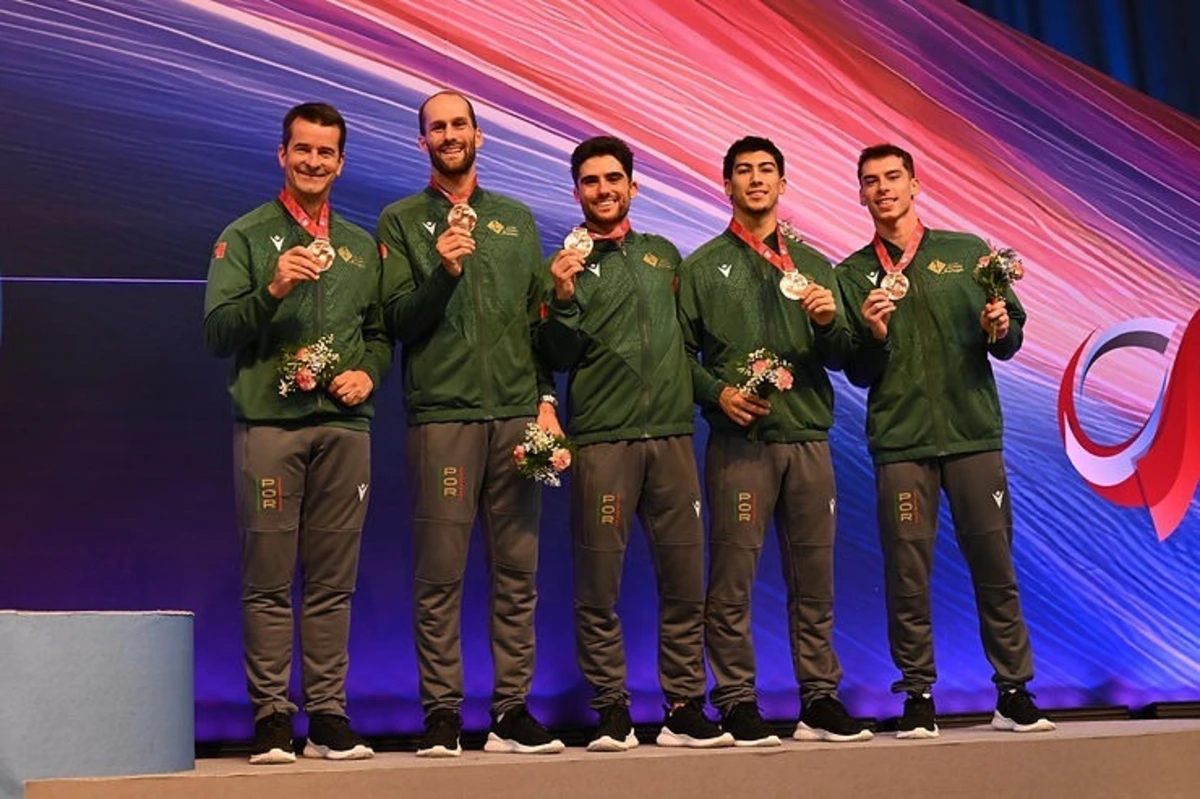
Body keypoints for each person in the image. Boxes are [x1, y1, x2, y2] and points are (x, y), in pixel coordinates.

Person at [836, 143, 1056, 738]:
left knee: (995, 564)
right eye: (870, 181)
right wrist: (875, 333)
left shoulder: (967, 253)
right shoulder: (852, 272)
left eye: (892, 178)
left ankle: (1013, 691)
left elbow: (1007, 337)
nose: (882, 189)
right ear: (859, 194)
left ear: (914, 184)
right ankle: (917, 696)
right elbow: (855, 367)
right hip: (901, 444)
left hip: (972, 437)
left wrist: (1001, 326)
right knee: (907, 572)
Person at [376, 90, 564, 757]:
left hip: (516, 420)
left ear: (479, 137)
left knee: (518, 573)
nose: (450, 135)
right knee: (439, 575)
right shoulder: (400, 222)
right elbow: (395, 320)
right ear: (421, 142)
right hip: (443, 419)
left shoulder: (515, 220)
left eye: (460, 125)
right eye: (437, 128)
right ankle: (442, 715)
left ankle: (512, 710)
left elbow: (536, 326)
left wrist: (546, 399)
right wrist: (444, 271)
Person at [204, 102, 389, 764]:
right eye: (302, 149)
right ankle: (272, 716)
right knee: (269, 580)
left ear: (341, 162)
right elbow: (218, 331)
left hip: (345, 431)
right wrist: (273, 290)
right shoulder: (247, 237)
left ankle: (330, 715)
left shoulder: (363, 246)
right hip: (271, 428)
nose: (314, 161)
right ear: (281, 154)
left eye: (326, 152)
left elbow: (378, 333)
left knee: (335, 582)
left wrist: (368, 372)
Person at [677, 136, 873, 746]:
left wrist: (827, 322)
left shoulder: (817, 266)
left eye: (767, 171)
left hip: (808, 438)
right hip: (742, 443)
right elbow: (678, 358)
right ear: (727, 184)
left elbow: (847, 356)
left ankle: (819, 698)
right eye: (744, 171)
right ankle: (736, 700)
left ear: (783, 185)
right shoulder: (702, 267)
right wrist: (717, 394)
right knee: (732, 578)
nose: (756, 179)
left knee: (815, 577)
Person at [540, 135, 733, 752]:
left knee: (685, 582)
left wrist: (717, 394)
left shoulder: (664, 257)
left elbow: (686, 350)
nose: (603, 190)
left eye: (613, 179)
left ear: (632, 186)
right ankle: (611, 709)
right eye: (591, 181)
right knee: (599, 584)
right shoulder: (563, 266)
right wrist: (564, 301)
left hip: (673, 441)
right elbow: (554, 357)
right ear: (576, 191)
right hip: (603, 443)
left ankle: (682, 705)